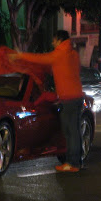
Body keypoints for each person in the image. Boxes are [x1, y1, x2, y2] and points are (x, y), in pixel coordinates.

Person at [10, 30, 84, 172]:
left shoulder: (59, 54)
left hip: (68, 98)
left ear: (59, 39)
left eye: (54, 40)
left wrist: (20, 55)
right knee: (74, 131)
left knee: (70, 132)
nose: (52, 42)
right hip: (76, 96)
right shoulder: (73, 54)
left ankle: (72, 163)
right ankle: (77, 161)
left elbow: (40, 58)